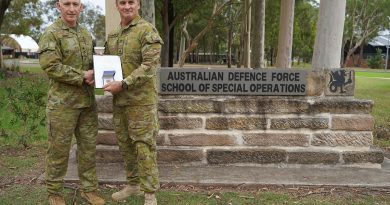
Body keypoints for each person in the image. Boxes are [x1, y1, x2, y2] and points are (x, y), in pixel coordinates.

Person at [38, 0, 105, 204]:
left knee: (88, 149)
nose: (71, 8)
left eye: (76, 4)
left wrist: (99, 74)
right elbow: (51, 66)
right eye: (67, 3)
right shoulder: (51, 33)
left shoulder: (85, 34)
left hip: (86, 103)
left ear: (81, 7)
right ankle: (54, 192)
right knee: (59, 150)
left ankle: (89, 189)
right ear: (58, 6)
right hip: (63, 105)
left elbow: (91, 63)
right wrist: (82, 75)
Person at [102, 0, 163, 204]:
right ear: (117, 6)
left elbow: (149, 66)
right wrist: (100, 76)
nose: (127, 6)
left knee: (143, 145)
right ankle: (133, 185)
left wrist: (125, 83)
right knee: (125, 144)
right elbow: (107, 64)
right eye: (122, 3)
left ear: (138, 5)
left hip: (141, 101)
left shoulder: (147, 30)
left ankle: (150, 193)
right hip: (120, 101)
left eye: (131, 2)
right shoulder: (113, 34)